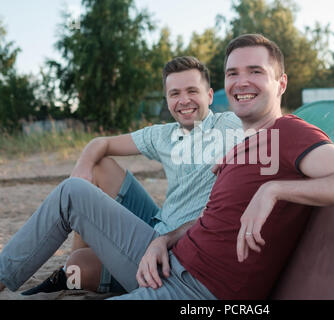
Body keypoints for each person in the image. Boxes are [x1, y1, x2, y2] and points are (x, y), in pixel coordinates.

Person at [0, 34, 334, 299]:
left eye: (256, 72)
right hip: (172, 257)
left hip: (195, 290)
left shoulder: (288, 132)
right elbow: (214, 218)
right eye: (233, 73)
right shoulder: (242, 145)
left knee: (80, 265)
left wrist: (275, 189)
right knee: (73, 193)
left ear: (281, 83)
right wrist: (165, 239)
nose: (241, 81)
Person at [18, 56, 242, 296]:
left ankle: (74, 269)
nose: (184, 100)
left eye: (192, 91)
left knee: (78, 268)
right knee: (98, 166)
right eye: (174, 93)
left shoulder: (229, 125)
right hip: (155, 226)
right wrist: (82, 167)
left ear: (209, 95)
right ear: (167, 100)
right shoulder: (162, 135)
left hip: (179, 248)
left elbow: (268, 127)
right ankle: (70, 262)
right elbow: (101, 143)